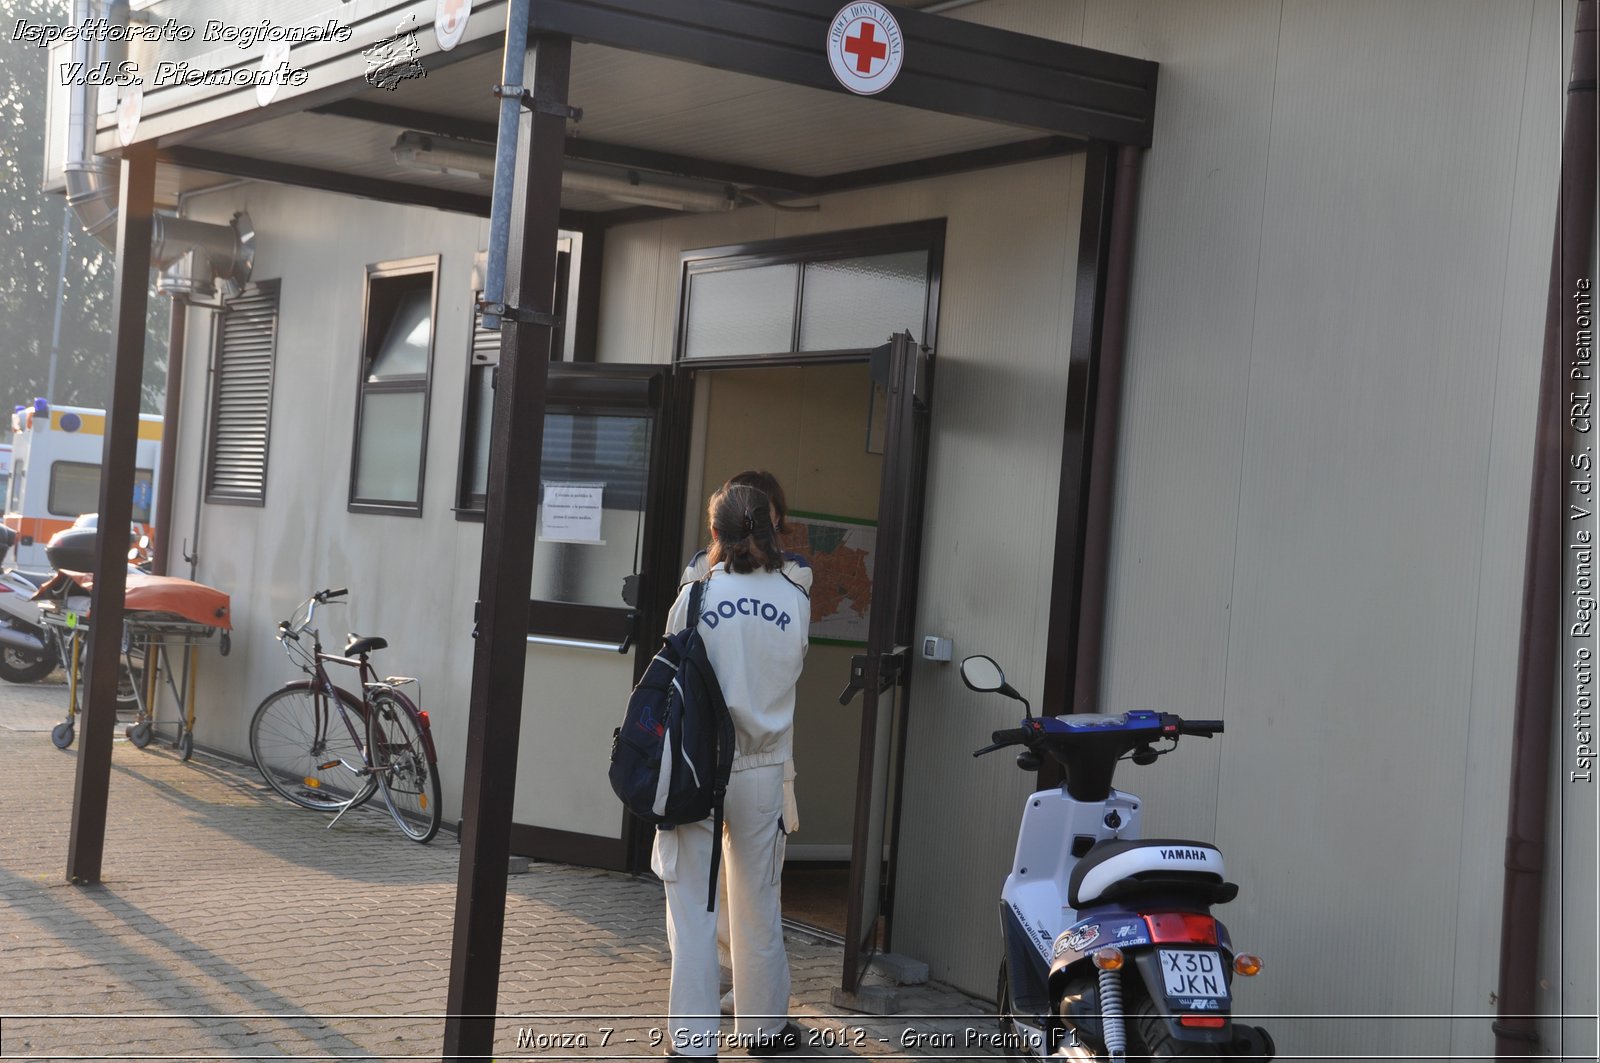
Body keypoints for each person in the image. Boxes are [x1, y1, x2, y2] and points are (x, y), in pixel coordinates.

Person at [658, 482, 810, 1057]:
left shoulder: (695, 596)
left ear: (714, 533)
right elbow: (791, 667)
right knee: (757, 901)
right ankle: (765, 1030)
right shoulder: (796, 598)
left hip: (696, 765)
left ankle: (693, 1045)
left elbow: (669, 671)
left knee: (693, 907)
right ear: (771, 531)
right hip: (763, 767)